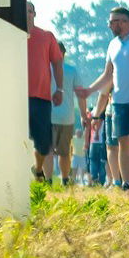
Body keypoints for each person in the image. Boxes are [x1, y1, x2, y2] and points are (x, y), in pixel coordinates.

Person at [82, 6, 129, 194]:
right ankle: (126, 183)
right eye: (110, 22)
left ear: (125, 22)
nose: (110, 25)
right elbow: (108, 74)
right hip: (118, 101)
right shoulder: (113, 45)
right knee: (123, 142)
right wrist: (89, 90)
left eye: (114, 21)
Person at [25, 2, 64, 182]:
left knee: (44, 143)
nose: (27, 14)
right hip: (16, 97)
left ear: (35, 14)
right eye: (23, 10)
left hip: (41, 97)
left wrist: (60, 89)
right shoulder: (11, 35)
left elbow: (57, 62)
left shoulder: (46, 36)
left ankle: (38, 168)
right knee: (19, 139)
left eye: (30, 11)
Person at [49, 41, 84, 186]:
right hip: (67, 117)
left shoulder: (46, 69)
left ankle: (47, 180)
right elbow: (80, 94)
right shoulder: (71, 70)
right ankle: (64, 179)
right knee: (64, 152)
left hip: (49, 115)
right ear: (64, 54)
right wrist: (83, 115)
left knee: (48, 150)